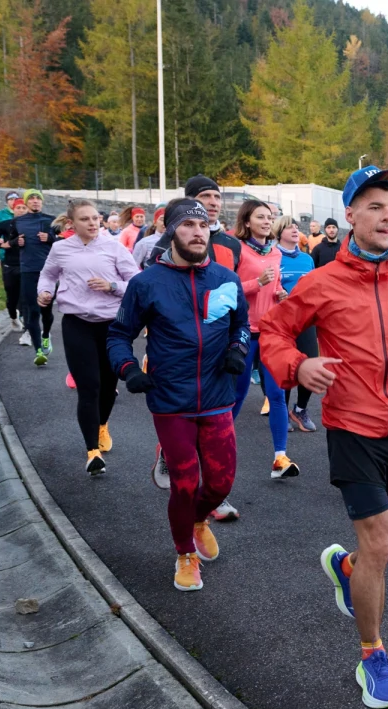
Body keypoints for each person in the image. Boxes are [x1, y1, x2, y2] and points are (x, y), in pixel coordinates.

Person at [259, 164, 388, 708]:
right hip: (354, 429)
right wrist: (297, 367)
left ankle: (344, 570)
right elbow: (273, 331)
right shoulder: (321, 282)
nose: (387, 216)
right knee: (376, 544)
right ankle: (372, 655)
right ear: (349, 215)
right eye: (374, 206)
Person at [107, 198, 249, 592]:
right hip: (171, 400)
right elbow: (119, 335)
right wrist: (129, 369)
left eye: (203, 226)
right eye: (188, 225)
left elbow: (241, 323)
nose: (198, 232)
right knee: (185, 483)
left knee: (220, 484)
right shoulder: (146, 284)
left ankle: (198, 519)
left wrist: (238, 350)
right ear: (171, 231)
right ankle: (184, 552)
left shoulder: (225, 278)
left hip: (219, 395)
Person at [149, 175, 245, 523]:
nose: (213, 202)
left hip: (219, 360)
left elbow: (234, 299)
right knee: (186, 479)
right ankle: (176, 459)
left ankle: (212, 491)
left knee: (220, 460)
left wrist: (236, 343)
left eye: (217, 197)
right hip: (175, 365)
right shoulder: (162, 246)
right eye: (205, 197)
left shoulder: (232, 245)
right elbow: (158, 298)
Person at [37, 199, 139, 475]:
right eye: (85, 219)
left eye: (95, 218)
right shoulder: (60, 248)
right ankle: (92, 451)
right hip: (76, 323)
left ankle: (102, 424)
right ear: (72, 224)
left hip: (111, 325)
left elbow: (137, 282)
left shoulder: (114, 248)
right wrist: (44, 292)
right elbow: (47, 275)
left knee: (108, 386)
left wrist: (112, 285)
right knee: (89, 386)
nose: (93, 223)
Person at [231, 199, 298, 479]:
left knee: (277, 395)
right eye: (260, 217)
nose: (267, 221)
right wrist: (255, 284)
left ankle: (280, 459)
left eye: (270, 217)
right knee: (237, 394)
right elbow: (227, 287)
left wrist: (280, 292)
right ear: (247, 221)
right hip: (244, 330)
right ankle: (215, 449)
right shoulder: (238, 249)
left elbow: (276, 283)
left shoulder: (274, 252)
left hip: (271, 330)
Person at [275, 215, 319, 433]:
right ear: (279, 232)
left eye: (296, 227)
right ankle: (281, 411)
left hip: (306, 320)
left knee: (309, 365)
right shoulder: (272, 257)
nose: (295, 230)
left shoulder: (307, 259)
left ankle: (300, 409)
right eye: (289, 227)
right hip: (282, 322)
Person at [15, 189, 58, 365]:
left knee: (46, 311)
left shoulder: (51, 220)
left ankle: (46, 334)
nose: (35, 201)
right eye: (31, 199)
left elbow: (62, 241)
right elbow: (7, 241)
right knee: (32, 311)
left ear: (42, 202)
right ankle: (39, 351)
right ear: (26, 203)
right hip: (27, 270)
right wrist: (15, 242)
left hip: (48, 271)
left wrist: (50, 238)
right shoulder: (17, 222)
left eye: (38, 198)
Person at [0, 198, 28, 339]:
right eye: (18, 208)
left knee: (26, 295)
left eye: (24, 208)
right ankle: (13, 316)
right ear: (13, 209)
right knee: (11, 295)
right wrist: (3, 245)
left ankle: (27, 324)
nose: (21, 210)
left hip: (26, 265)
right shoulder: (4, 224)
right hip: (10, 264)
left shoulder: (33, 226)